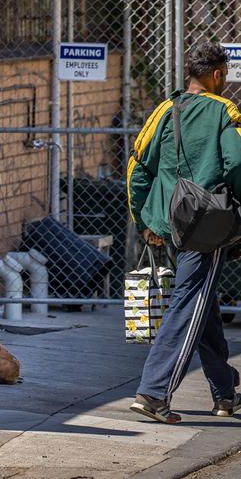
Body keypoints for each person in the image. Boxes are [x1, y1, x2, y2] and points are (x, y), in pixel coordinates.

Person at [127, 42, 241, 424]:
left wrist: (144, 221)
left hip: (168, 224)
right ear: (217, 75)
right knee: (188, 303)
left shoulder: (163, 110)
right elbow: (237, 162)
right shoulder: (225, 110)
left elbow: (137, 167)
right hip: (206, 226)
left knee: (202, 304)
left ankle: (225, 393)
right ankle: (153, 392)